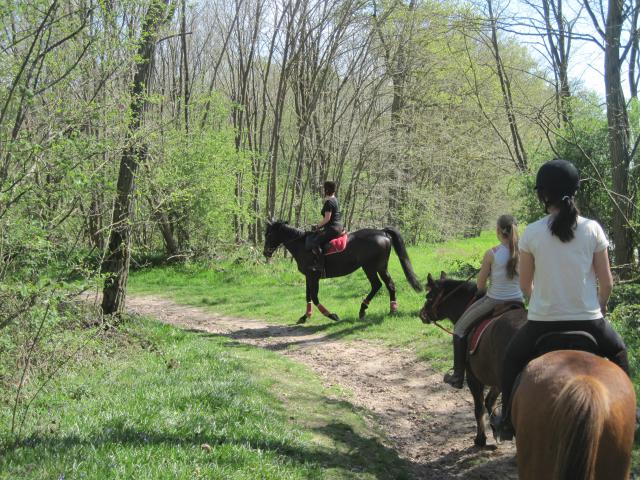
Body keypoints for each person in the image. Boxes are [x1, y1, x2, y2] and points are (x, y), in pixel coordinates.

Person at [491, 159, 629, 440]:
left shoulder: (532, 232)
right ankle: (634, 419)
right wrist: (600, 306)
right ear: (574, 191)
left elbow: (526, 285)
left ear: (543, 195)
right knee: (619, 353)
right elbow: (607, 282)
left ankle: (506, 420)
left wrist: (541, 300)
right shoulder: (592, 229)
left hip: (542, 323)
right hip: (590, 322)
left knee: (511, 360)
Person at [444, 214, 524, 389]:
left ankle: (458, 376)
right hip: (518, 302)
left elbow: (480, 285)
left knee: (459, 329)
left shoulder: (492, 253)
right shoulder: (525, 252)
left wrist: (482, 291)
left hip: (494, 301)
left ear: (498, 230)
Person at [306, 181, 344, 270]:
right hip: (339, 226)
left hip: (332, 228)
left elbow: (327, 219)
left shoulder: (329, 203)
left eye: (324, 189)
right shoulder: (334, 199)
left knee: (314, 241)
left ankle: (320, 265)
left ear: (326, 190)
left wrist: (317, 226)